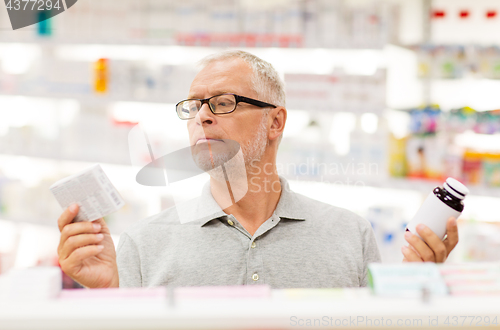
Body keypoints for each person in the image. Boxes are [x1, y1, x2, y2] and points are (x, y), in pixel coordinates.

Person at [57, 50, 459, 289]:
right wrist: (109, 293)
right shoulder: (144, 244)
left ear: (275, 122)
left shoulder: (348, 234)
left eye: (224, 101)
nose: (203, 117)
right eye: (194, 106)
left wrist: (417, 287)